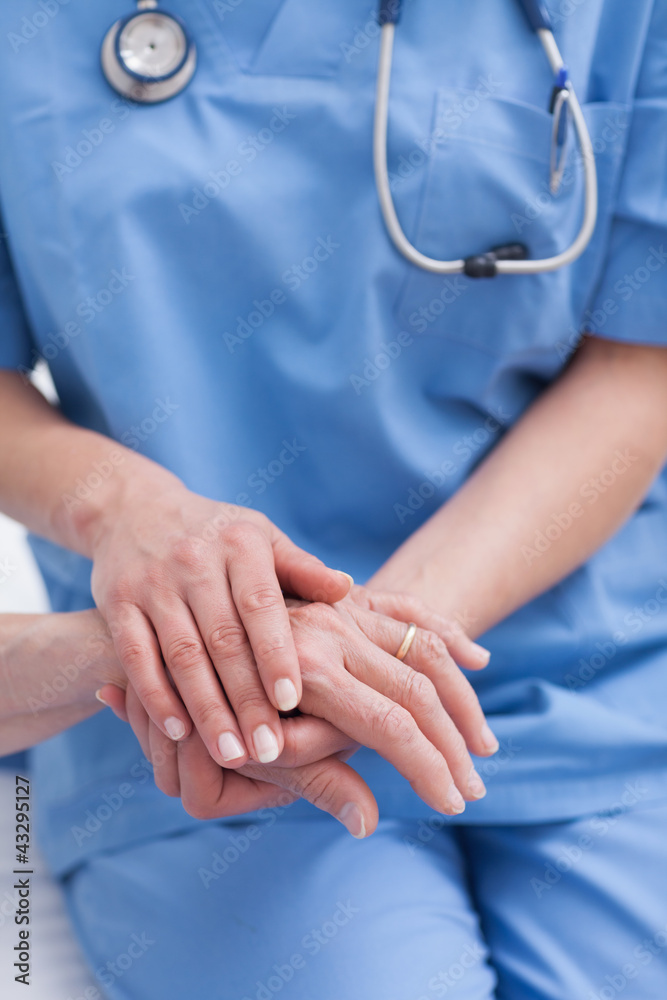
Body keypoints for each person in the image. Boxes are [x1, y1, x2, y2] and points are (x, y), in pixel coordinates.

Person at [1, 1, 667, 997]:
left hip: (592, 677)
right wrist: (123, 510)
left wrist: (360, 648)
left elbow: (638, 361)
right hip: (202, 725)